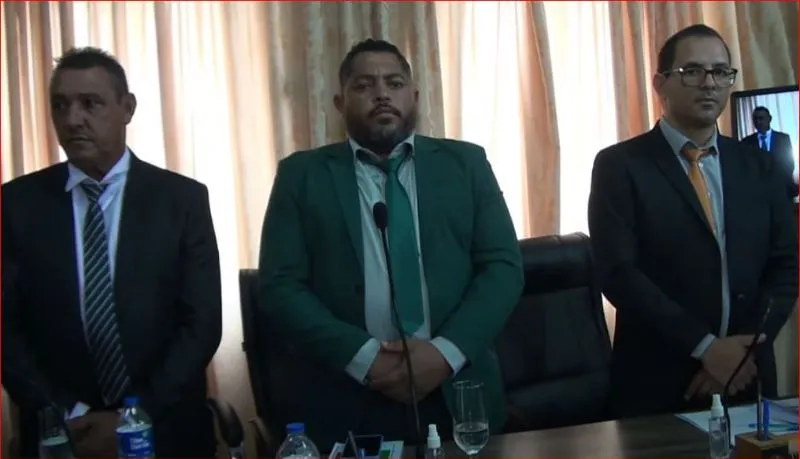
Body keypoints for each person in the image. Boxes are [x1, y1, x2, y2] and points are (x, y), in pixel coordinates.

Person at [258, 38, 523, 448]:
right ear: (339, 102)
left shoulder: (466, 164)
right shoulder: (301, 175)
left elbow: (502, 267)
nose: (382, 94)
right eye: (364, 85)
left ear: (414, 96)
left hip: (455, 387)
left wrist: (445, 354)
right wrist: (365, 358)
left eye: (394, 83)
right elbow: (280, 286)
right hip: (349, 390)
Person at [2, 47, 222, 457]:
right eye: (60, 105)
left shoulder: (181, 200)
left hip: (166, 427)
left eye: (90, 103)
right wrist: (69, 414)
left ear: (128, 108)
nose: (72, 119)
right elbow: (7, 331)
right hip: (62, 433)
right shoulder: (16, 204)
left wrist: (133, 418)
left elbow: (201, 324)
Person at [588, 25, 798, 418]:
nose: (709, 83)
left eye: (720, 72)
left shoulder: (760, 166)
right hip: (661, 381)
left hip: (748, 376)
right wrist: (707, 348)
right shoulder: (620, 166)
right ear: (660, 84)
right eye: (693, 71)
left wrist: (740, 353)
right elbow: (618, 273)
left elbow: (787, 265)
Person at [741, 106, 797, 199]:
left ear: (769, 119)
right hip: (758, 192)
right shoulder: (747, 142)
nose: (758, 122)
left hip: (782, 190)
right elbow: (745, 166)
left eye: (761, 118)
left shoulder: (783, 138)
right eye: (755, 119)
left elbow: (789, 164)